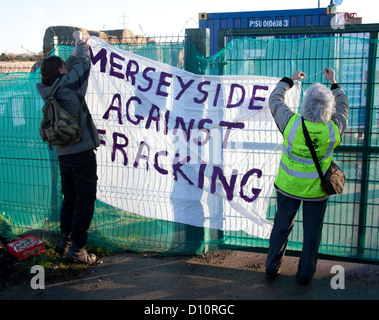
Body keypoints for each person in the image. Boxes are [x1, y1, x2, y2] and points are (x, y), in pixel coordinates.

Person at [266, 68, 349, 285]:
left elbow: (275, 99)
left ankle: (271, 268)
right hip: (317, 191)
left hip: (287, 187)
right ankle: (304, 275)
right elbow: (344, 108)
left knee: (281, 227)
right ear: (329, 109)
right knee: (312, 234)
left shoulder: (291, 124)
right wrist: (334, 82)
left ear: (305, 105)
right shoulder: (333, 130)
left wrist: (290, 80)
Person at [37, 31, 100, 264]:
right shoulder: (70, 86)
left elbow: (69, 68)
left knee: (70, 196)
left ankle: (65, 242)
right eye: (64, 67)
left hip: (62, 152)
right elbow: (83, 63)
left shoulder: (49, 87)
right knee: (85, 198)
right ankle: (79, 250)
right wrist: (80, 42)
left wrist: (70, 56)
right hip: (81, 151)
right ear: (61, 71)